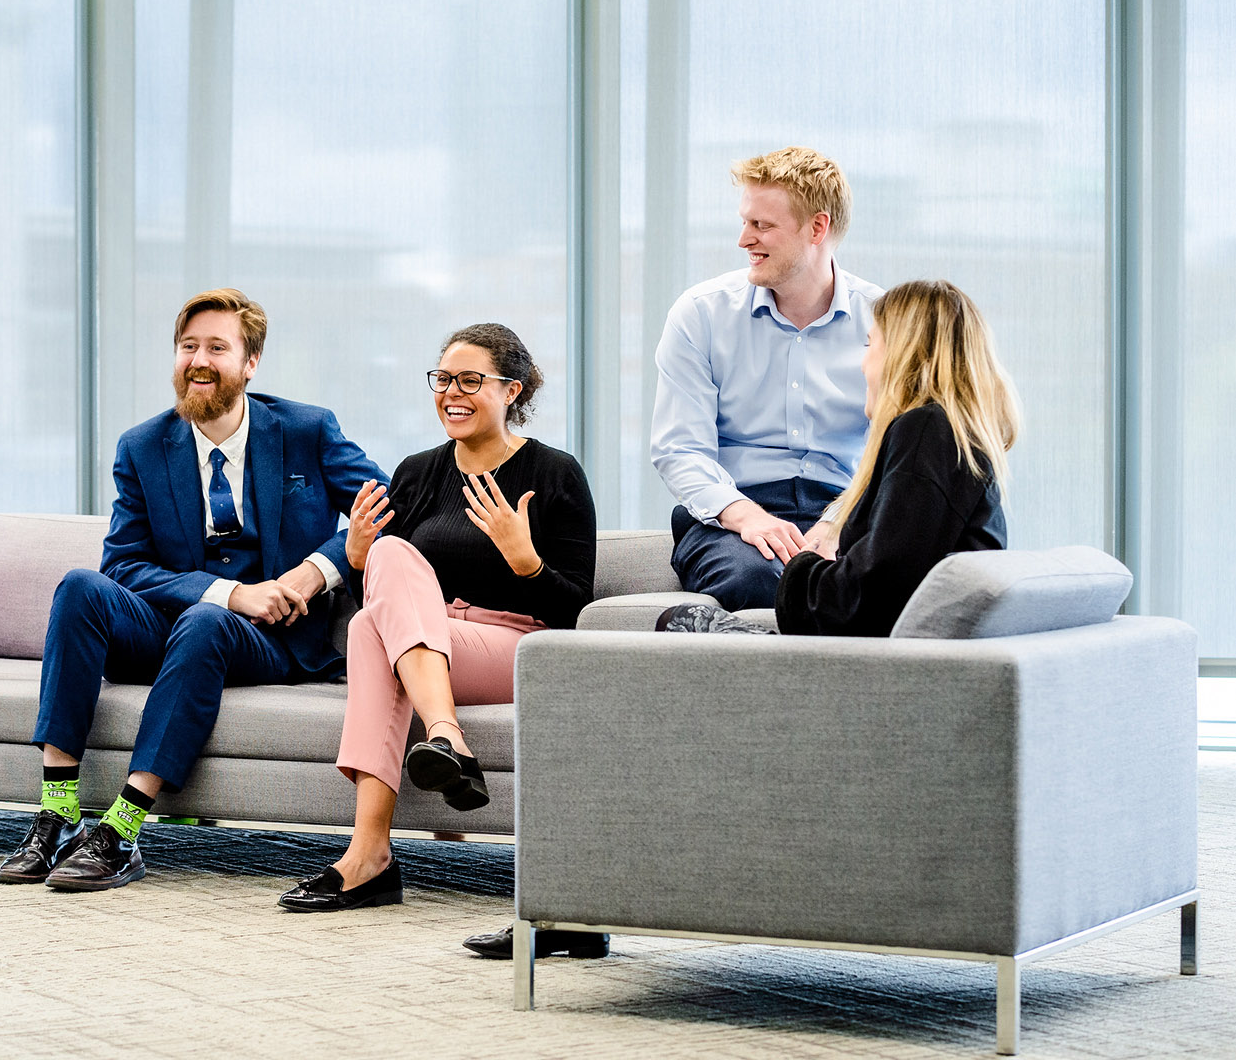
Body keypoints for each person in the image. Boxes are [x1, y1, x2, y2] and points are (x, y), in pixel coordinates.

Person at [0, 288, 386, 891]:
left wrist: (315, 570)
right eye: (187, 346)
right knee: (79, 588)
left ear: (250, 362)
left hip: (273, 638)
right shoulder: (142, 446)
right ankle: (59, 813)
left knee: (206, 623)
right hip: (174, 624)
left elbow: (388, 508)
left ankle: (123, 829)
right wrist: (229, 591)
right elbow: (123, 564)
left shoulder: (307, 429)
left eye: (217, 348)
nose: (198, 361)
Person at [277, 324, 597, 927]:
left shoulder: (555, 472)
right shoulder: (418, 472)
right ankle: (392, 817)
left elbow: (574, 610)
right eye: (443, 379)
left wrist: (525, 562)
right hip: (428, 640)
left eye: (471, 380)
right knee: (373, 607)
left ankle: (378, 844)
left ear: (512, 390)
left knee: (376, 624)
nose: (452, 392)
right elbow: (383, 594)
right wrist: (357, 559)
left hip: (516, 642)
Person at [659, 278, 1019, 637]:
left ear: (903, 355)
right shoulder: (952, 437)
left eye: (870, 345)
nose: (863, 365)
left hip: (870, 657)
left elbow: (867, 597)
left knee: (679, 622)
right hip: (896, 649)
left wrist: (803, 566)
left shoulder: (926, 432)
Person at [652, 146, 883, 610]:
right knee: (756, 580)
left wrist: (839, 521)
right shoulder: (701, 314)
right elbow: (680, 449)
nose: (744, 239)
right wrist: (745, 515)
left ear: (817, 228)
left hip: (847, 508)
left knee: (879, 584)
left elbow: (895, 450)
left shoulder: (885, 321)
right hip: (732, 516)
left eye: (761, 225)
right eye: (745, 221)